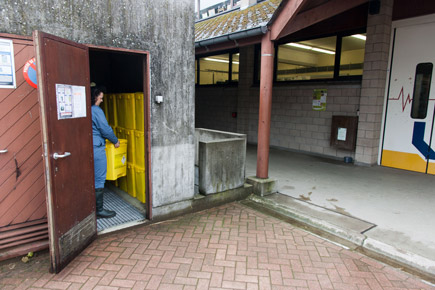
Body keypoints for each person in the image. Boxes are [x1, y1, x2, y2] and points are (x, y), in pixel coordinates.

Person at [91, 86, 119, 219]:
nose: (101, 101)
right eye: (101, 98)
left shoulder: (84, 109)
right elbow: (105, 129)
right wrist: (115, 140)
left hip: (88, 147)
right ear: (95, 97)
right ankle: (99, 210)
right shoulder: (96, 110)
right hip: (97, 148)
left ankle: (92, 209)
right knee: (99, 178)